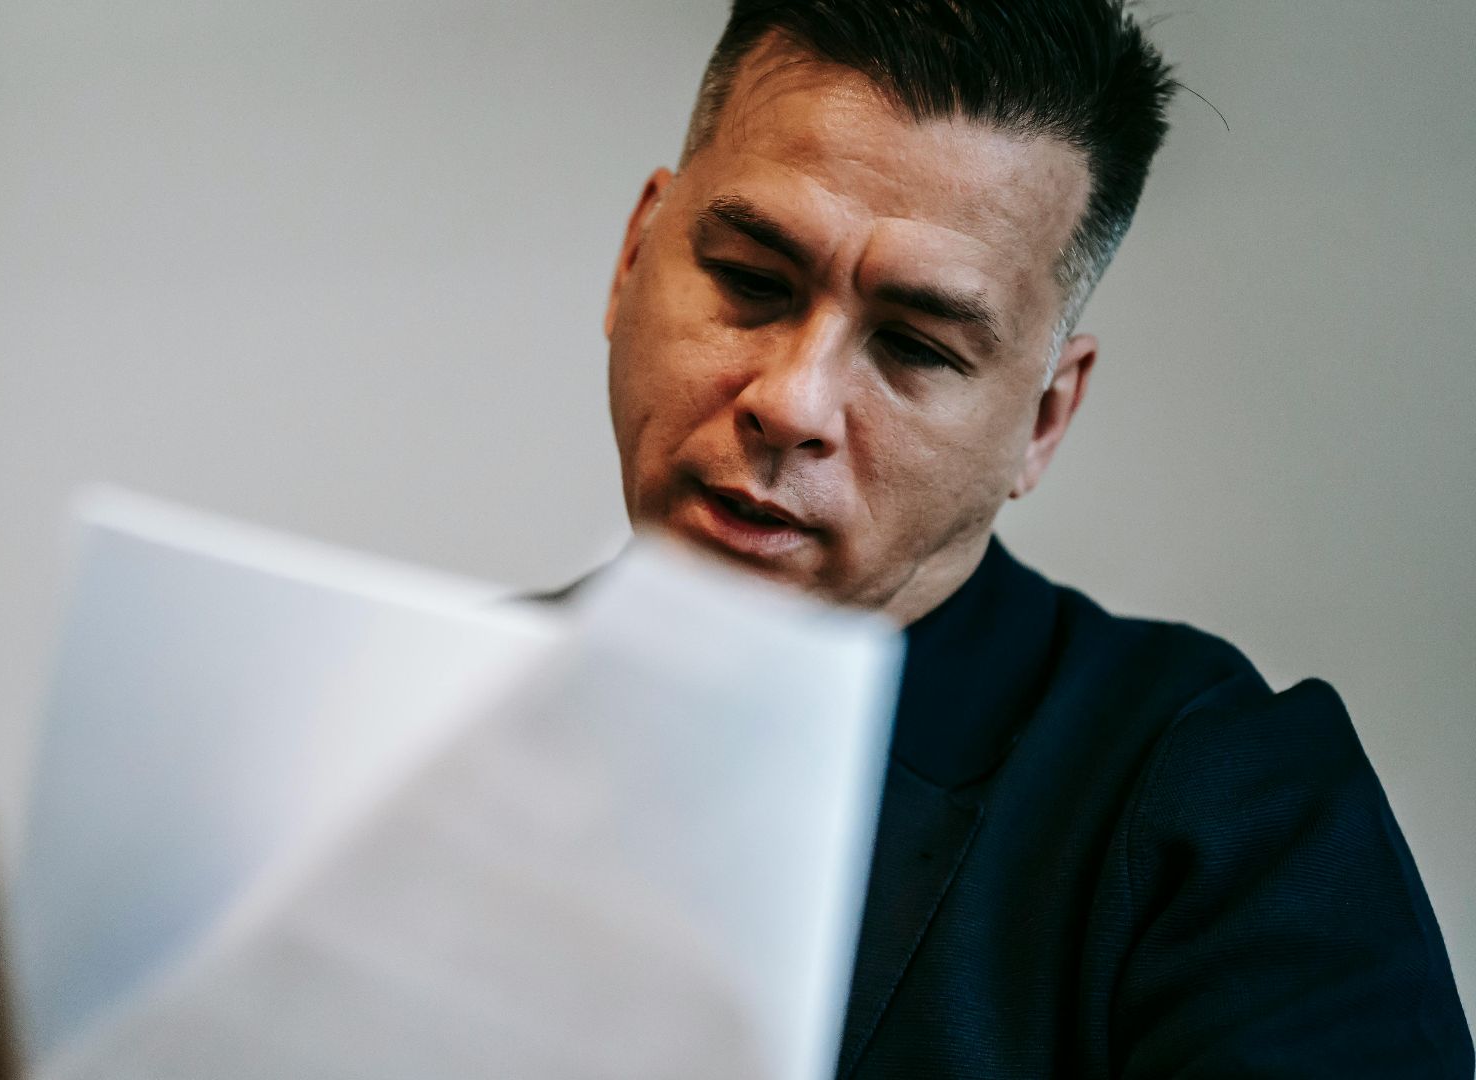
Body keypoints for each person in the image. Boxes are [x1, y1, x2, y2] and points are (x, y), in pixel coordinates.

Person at [590, 0, 1473, 1075]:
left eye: (915, 346)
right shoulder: (400, 711)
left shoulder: (1231, 812)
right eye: (751, 283)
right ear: (636, 255)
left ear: (1044, 420)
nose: (794, 402)